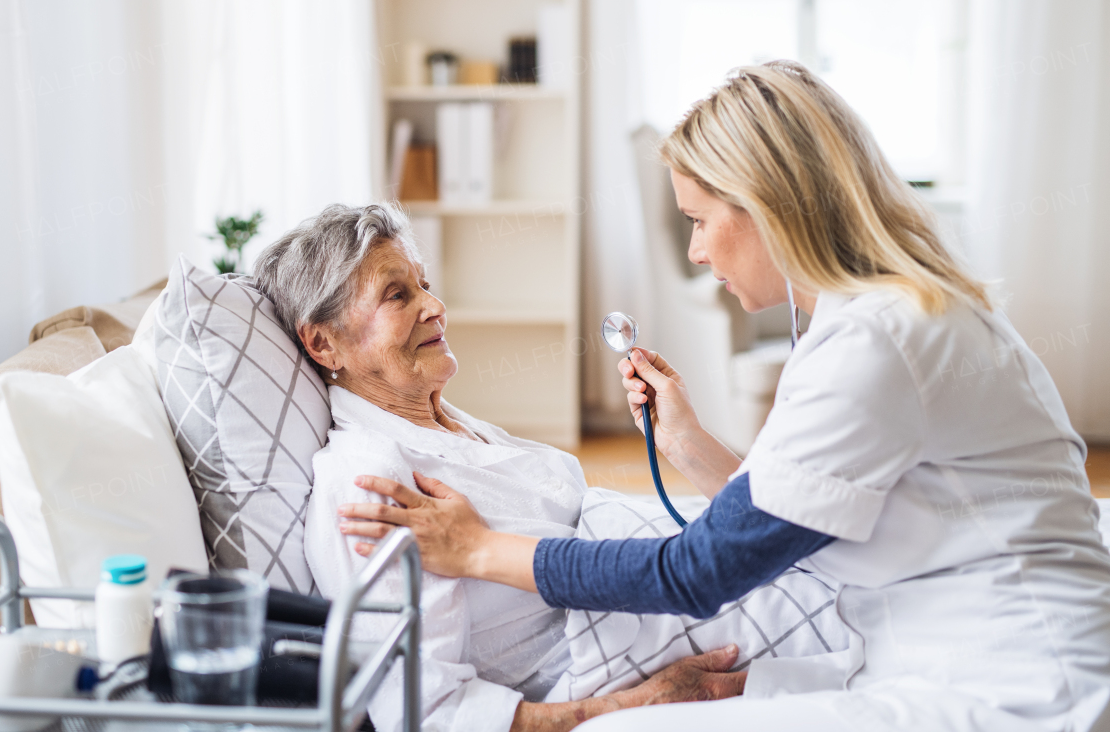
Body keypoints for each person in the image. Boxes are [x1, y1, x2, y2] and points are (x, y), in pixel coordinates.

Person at [338, 61, 1110, 732]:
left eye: (700, 221)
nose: (698, 250)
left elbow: (696, 574)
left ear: (769, 203)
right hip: (925, 636)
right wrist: (687, 445)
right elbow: (807, 510)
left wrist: (483, 549)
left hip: (1016, 683)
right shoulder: (875, 316)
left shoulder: (877, 344)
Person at [251, 204, 790, 732]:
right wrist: (642, 704)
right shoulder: (370, 481)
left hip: (686, 579)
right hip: (659, 633)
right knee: (851, 606)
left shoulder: (447, 426)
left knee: (826, 560)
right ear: (323, 343)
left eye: (424, 284)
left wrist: (682, 441)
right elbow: (429, 713)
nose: (435, 306)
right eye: (398, 295)